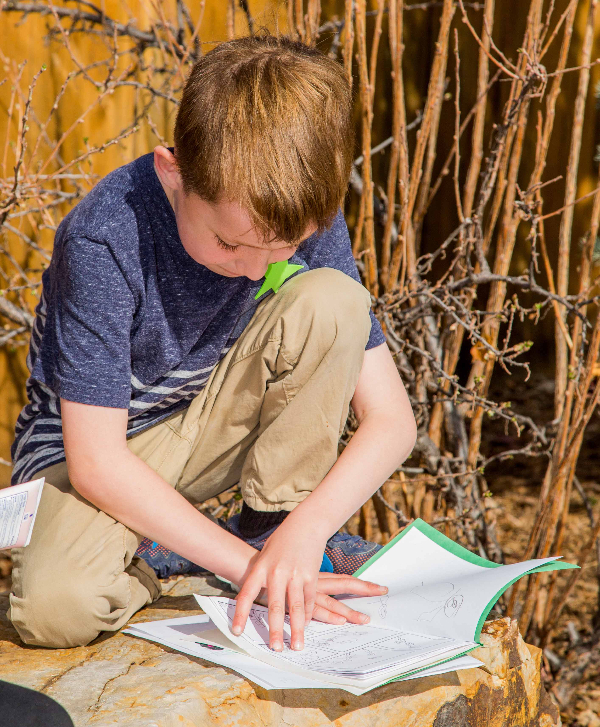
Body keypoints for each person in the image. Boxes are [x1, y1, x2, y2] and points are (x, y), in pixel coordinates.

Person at [7, 33, 417, 653]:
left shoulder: (296, 207)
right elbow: (96, 462)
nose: (255, 269)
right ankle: (171, 552)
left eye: (279, 251)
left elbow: (392, 421)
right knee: (55, 611)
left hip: (208, 426)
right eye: (229, 245)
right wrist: (243, 570)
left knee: (333, 300)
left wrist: (303, 535)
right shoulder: (103, 236)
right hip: (89, 457)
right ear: (173, 171)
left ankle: (268, 528)